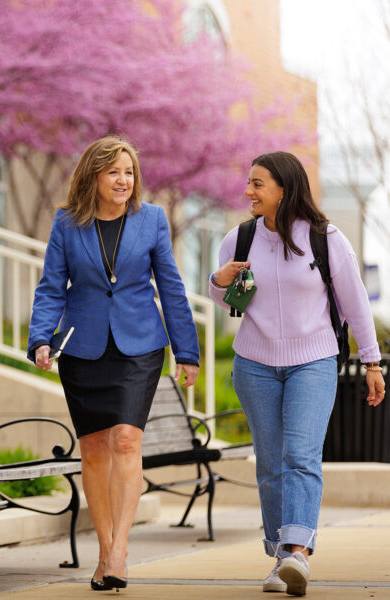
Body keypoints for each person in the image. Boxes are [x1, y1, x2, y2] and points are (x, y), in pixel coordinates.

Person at [27, 136, 200, 591]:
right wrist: (40, 339)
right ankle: (103, 549)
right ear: (94, 176)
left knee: (126, 439)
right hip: (83, 346)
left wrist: (188, 351)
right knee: (93, 449)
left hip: (139, 344)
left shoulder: (153, 220)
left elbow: (172, 286)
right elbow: (51, 287)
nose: (123, 180)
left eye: (128, 172)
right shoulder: (67, 224)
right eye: (114, 173)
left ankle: (120, 549)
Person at [209, 151, 385, 596]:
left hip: (314, 361)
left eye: (257, 183)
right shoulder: (240, 239)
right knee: (269, 464)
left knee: (301, 457)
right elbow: (231, 303)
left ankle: (298, 552)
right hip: (254, 364)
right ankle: (280, 555)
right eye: (248, 182)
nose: (248, 191)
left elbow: (355, 303)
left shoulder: (325, 239)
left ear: (284, 190)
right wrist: (218, 280)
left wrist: (371, 362)